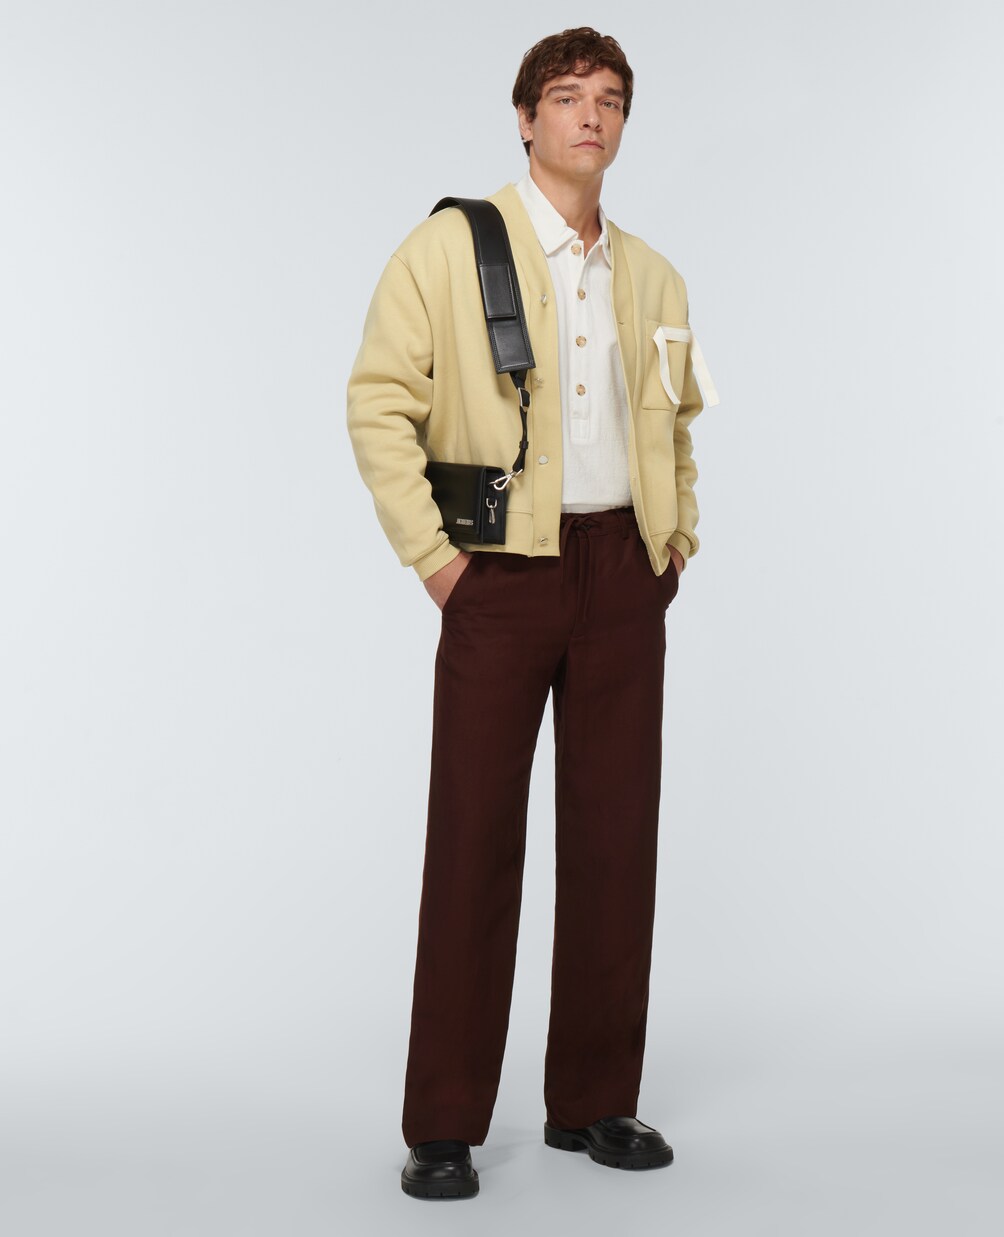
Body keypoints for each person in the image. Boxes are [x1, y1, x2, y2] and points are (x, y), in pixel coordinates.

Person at [345, 26, 718, 1200]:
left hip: (622, 575)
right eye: (565, 97)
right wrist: (436, 564)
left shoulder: (654, 276)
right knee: (472, 840)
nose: (589, 115)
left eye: (608, 99)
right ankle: (443, 1122)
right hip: (497, 575)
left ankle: (594, 1100)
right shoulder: (450, 248)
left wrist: (671, 543)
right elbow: (376, 403)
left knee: (614, 840)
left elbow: (676, 422)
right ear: (524, 118)